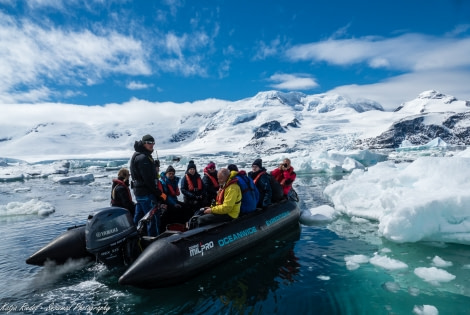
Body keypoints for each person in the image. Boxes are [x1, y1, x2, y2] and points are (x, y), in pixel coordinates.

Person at [130, 134, 167, 236]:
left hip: (139, 194)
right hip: (146, 194)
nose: (152, 145)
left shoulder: (139, 155)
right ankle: (154, 242)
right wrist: (160, 194)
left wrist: (154, 166)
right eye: (149, 143)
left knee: (139, 217)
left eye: (153, 143)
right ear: (143, 143)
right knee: (153, 219)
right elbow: (148, 180)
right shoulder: (142, 158)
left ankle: (133, 238)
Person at [159, 165, 193, 230]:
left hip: (173, 200)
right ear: (166, 174)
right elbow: (167, 196)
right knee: (176, 209)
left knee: (186, 207)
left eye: (172, 174)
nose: (171, 175)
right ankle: (175, 227)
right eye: (169, 173)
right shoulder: (163, 182)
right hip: (166, 202)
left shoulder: (174, 181)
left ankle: (186, 225)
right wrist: (174, 204)